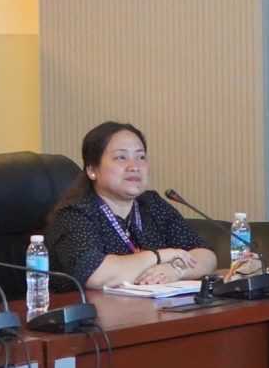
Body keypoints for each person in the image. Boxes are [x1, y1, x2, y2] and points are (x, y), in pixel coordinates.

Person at [46, 122, 217, 290]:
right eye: (121, 157)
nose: (134, 166)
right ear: (92, 170)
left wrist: (175, 269)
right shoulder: (75, 214)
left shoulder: (151, 204)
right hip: (85, 307)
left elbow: (206, 256)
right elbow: (95, 275)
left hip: (151, 306)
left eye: (140, 157)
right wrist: (159, 256)